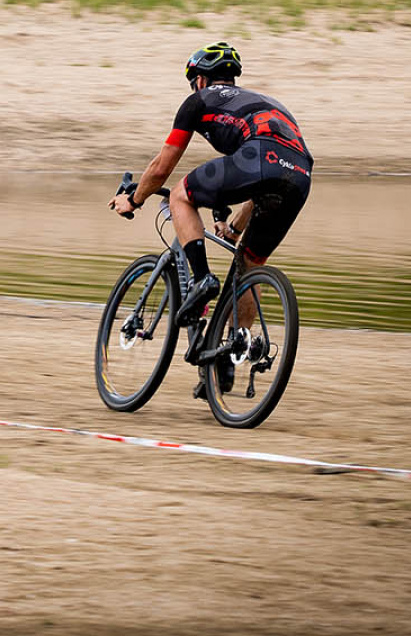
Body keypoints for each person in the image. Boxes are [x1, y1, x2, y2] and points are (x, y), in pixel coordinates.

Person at [109, 43, 311, 395]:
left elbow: (161, 168)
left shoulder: (199, 101)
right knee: (250, 262)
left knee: (179, 196)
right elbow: (263, 183)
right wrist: (233, 227)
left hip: (258, 157)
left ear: (200, 80)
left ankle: (201, 280)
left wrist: (134, 199)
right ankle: (230, 352)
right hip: (300, 173)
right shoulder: (262, 103)